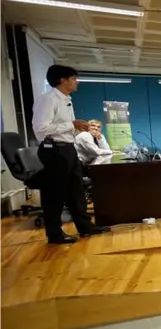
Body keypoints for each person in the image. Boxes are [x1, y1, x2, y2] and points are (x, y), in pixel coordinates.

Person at [32, 65, 111, 244]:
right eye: (74, 78)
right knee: (55, 194)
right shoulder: (48, 99)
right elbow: (40, 129)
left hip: (68, 148)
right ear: (63, 80)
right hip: (54, 151)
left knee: (77, 191)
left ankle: (85, 227)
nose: (77, 82)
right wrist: (71, 125)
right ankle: (54, 234)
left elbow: (66, 127)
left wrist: (76, 128)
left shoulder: (66, 99)